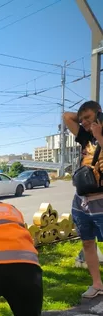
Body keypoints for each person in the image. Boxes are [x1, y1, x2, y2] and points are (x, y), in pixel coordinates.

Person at [64, 101, 103, 298]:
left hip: (101, 199)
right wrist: (86, 121)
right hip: (81, 199)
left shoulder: (97, 136)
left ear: (99, 113)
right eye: (82, 120)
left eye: (88, 117)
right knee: (87, 242)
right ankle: (97, 284)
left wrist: (99, 133)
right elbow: (66, 117)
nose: (84, 122)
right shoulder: (85, 137)